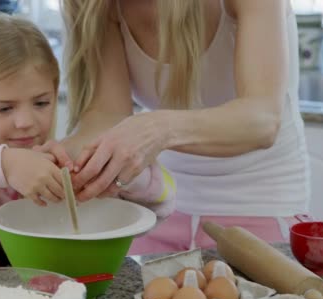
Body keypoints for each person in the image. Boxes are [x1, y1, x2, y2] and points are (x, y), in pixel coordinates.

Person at [0, 15, 176, 273]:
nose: (25, 121)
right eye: (4, 108)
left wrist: (112, 171)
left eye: (41, 102)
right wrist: (4, 165)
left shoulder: (68, 175)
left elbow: (161, 202)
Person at [50, 0, 309, 253]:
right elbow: (108, 116)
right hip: (161, 207)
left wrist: (160, 129)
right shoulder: (98, 6)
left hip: (260, 204)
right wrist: (58, 157)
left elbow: (262, 119)